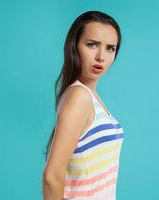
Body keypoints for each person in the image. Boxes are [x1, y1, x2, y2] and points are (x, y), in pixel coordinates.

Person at [43, 10, 124, 200]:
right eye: (92, 45)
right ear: (74, 46)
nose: (101, 56)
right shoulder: (79, 96)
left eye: (110, 48)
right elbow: (52, 177)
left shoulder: (90, 97)